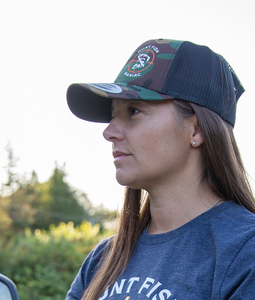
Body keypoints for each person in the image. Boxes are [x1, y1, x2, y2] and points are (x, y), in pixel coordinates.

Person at [65, 39, 255, 300]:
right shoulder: (102, 260)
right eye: (112, 115)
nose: (109, 132)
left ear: (196, 129)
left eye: (133, 111)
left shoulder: (246, 252)